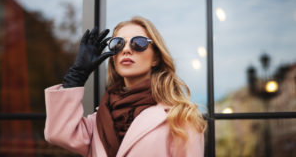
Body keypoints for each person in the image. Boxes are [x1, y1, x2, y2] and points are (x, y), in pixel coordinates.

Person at [44, 16, 206, 157]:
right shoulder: (99, 119)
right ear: (113, 57)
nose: (126, 49)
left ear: (156, 58)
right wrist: (76, 75)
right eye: (118, 44)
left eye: (139, 43)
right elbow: (59, 134)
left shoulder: (180, 118)